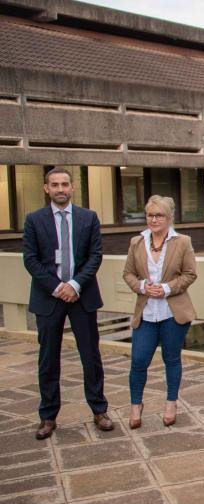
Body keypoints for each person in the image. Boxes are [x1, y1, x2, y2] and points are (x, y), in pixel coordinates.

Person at [22, 167, 114, 439]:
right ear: (46, 189)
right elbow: (30, 259)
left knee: (91, 357)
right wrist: (57, 287)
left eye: (65, 184)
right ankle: (48, 416)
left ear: (73, 188)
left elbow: (95, 256)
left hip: (81, 296)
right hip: (48, 298)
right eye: (55, 184)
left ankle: (99, 410)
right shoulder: (34, 220)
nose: (60, 189)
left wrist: (74, 285)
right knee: (48, 359)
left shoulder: (88, 218)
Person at [122, 195, 197, 429]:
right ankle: (136, 405)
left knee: (171, 359)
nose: (153, 219)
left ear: (169, 217)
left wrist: (166, 289)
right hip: (145, 313)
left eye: (159, 215)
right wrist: (143, 286)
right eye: (150, 215)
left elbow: (190, 274)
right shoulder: (136, 241)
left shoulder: (182, 241)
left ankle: (171, 403)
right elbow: (128, 274)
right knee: (139, 360)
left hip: (172, 313)